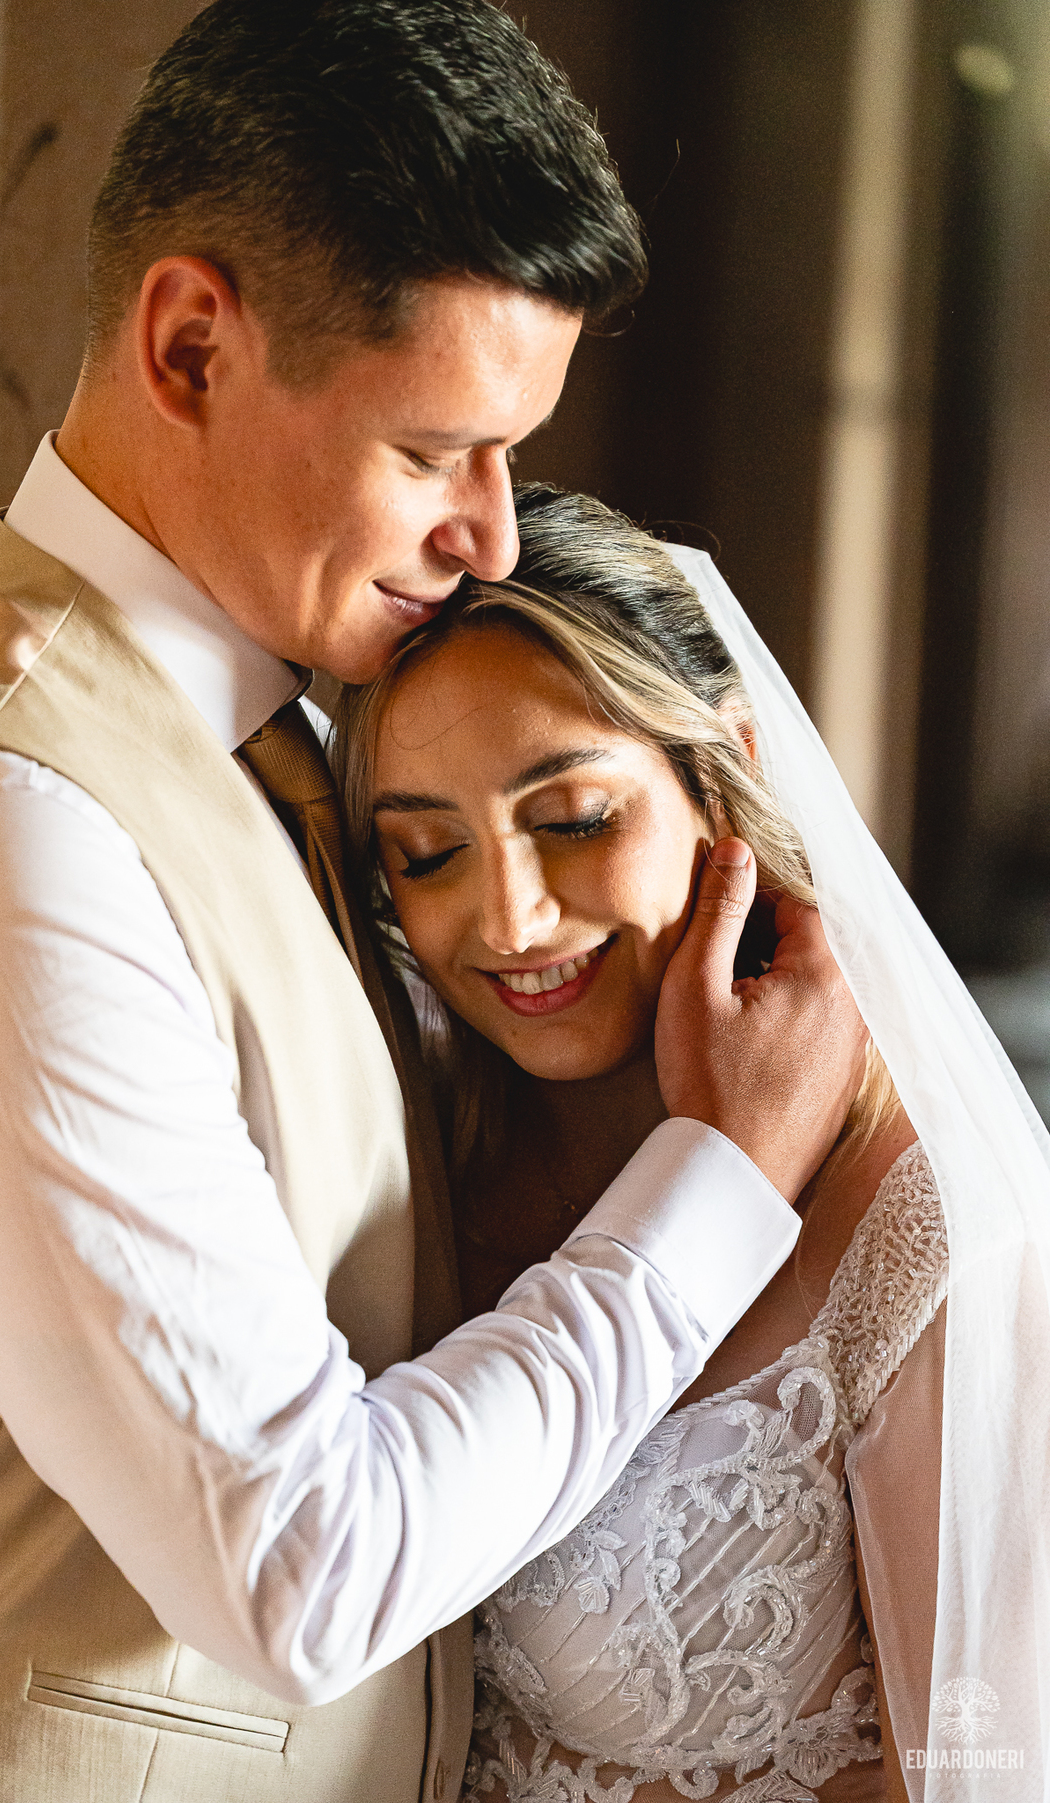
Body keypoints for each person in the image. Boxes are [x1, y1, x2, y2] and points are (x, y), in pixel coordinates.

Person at [0, 6, 868, 1801]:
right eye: (433, 451)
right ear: (188, 345)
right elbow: (302, 1582)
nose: (490, 533)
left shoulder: (314, 747)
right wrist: (720, 1182)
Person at [332, 485, 1050, 1802]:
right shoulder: (399, 1151)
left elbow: (978, 1773)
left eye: (574, 820)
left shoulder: (922, 1226)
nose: (511, 918)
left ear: (723, 767)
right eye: (429, 854)